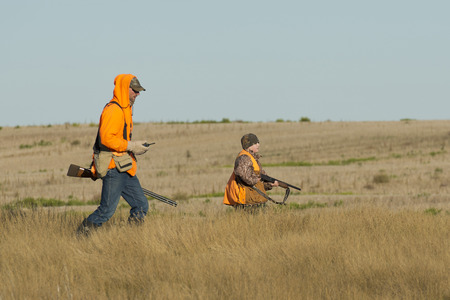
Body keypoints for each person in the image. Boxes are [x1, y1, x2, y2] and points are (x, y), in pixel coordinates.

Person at [77, 74, 151, 235]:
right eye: (135, 91)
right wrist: (131, 146)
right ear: (125, 89)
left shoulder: (125, 109)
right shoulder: (114, 110)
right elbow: (107, 139)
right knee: (106, 211)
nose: (137, 94)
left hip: (124, 165)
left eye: (139, 91)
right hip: (113, 168)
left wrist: (135, 147)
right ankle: (79, 237)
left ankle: (130, 239)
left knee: (141, 205)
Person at [223, 133, 279, 209]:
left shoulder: (253, 159)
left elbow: (260, 180)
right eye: (255, 143)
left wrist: (270, 184)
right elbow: (246, 177)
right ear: (248, 146)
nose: (258, 145)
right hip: (246, 201)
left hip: (254, 199)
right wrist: (258, 179)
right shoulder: (243, 158)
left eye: (258, 142)